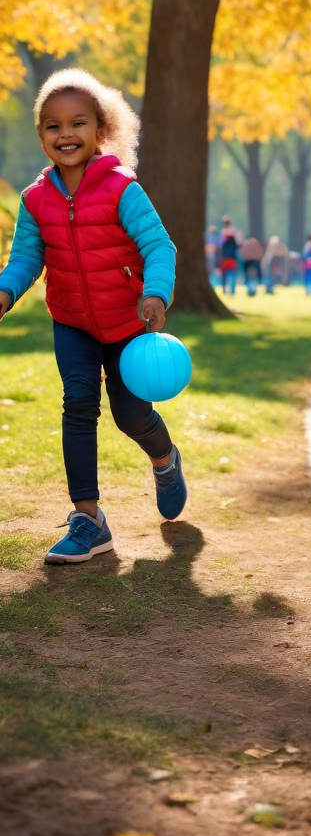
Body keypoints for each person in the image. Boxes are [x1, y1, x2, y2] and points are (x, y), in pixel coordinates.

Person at [0, 69, 187, 564]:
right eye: (52, 126)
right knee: (78, 405)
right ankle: (88, 519)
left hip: (128, 326)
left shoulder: (122, 189)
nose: (65, 134)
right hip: (73, 322)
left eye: (77, 123)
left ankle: (165, 461)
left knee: (131, 415)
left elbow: (158, 246)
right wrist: (5, 290)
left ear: (101, 130)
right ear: (40, 135)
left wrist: (155, 294)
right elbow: (26, 257)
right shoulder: (35, 199)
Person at [218, 215, 239, 295]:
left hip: (225, 257)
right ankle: (232, 290)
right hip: (232, 256)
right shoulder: (234, 232)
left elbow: (220, 246)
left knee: (224, 274)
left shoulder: (222, 233)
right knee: (232, 274)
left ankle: (224, 289)